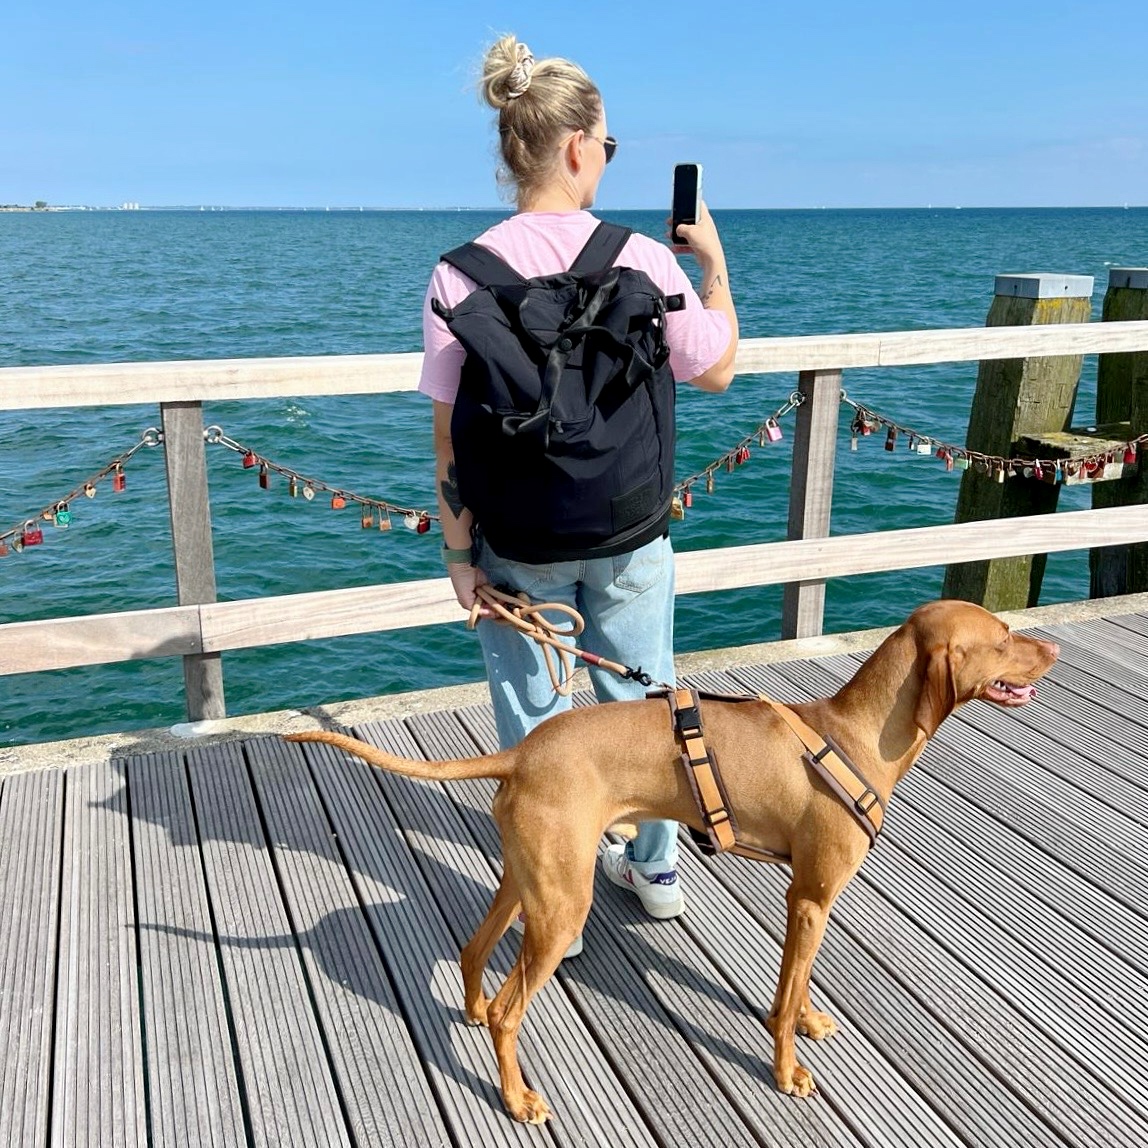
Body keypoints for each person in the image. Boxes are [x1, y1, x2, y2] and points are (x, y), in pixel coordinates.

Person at [418, 34, 738, 942]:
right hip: (630, 531)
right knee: (644, 702)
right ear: (574, 146)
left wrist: (456, 552)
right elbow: (715, 370)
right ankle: (657, 866)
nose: (604, 160)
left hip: (517, 541)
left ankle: (551, 868)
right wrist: (714, 265)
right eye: (607, 146)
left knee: (534, 718)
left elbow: (447, 426)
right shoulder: (644, 258)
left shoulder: (460, 272)